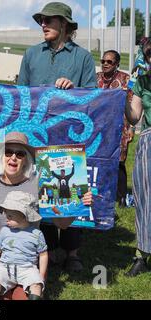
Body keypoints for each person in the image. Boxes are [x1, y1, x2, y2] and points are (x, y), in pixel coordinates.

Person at [17, 2, 97, 272]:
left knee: (70, 189)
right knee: (42, 190)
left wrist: (73, 89)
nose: (44, 24)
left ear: (64, 25)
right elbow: (20, 96)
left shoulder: (83, 57)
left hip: (68, 137)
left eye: (50, 20)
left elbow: (94, 97)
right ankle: (48, 250)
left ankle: (72, 252)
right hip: (37, 136)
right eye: (42, 20)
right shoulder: (30, 54)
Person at [0, 132, 93, 300]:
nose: (13, 158)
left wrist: (80, 205)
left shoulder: (40, 185)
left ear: (27, 159)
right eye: (8, 152)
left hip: (28, 262)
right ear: (2, 156)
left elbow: (63, 224)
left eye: (20, 153)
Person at [0, 191, 48, 300]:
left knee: (36, 285)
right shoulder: (4, 231)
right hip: (5, 267)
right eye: (6, 215)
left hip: (27, 268)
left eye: (10, 216)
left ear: (24, 216)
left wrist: (41, 274)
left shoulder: (36, 234)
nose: (7, 219)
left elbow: (43, 254)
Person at [125, 37, 151, 277]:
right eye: (149, 54)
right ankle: (142, 254)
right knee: (144, 196)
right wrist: (126, 94)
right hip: (149, 138)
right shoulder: (142, 81)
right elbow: (134, 117)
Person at [97, 50, 134, 208]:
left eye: (109, 61)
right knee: (100, 160)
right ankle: (101, 194)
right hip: (99, 126)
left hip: (120, 126)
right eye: (103, 61)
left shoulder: (126, 79)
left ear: (117, 64)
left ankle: (121, 198)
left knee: (119, 162)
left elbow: (132, 104)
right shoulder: (95, 78)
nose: (105, 64)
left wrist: (131, 127)